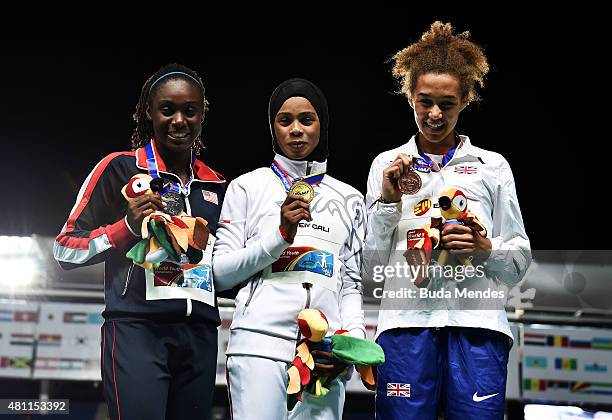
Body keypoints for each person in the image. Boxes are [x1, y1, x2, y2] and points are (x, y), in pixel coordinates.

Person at [363, 22, 531, 419]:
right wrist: (388, 204)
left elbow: (518, 262)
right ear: (409, 97)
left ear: (466, 100)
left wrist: (484, 248)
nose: (435, 114)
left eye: (448, 103)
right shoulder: (385, 167)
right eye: (425, 102)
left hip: (477, 325)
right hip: (405, 327)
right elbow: (371, 271)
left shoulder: (492, 167)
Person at [54, 63, 226, 420]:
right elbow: (65, 248)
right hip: (137, 332)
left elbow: (228, 265)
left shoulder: (216, 185)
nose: (179, 120)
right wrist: (127, 227)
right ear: (149, 112)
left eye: (189, 111)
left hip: (201, 337)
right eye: (168, 110)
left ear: (202, 114)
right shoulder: (119, 168)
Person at [213, 78, 366, 419]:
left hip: (324, 356)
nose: (296, 130)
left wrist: (349, 343)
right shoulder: (247, 188)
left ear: (322, 125)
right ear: (273, 128)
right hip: (258, 346)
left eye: (306, 120)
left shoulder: (351, 199)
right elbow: (219, 275)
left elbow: (351, 285)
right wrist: (280, 234)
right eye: (285, 121)